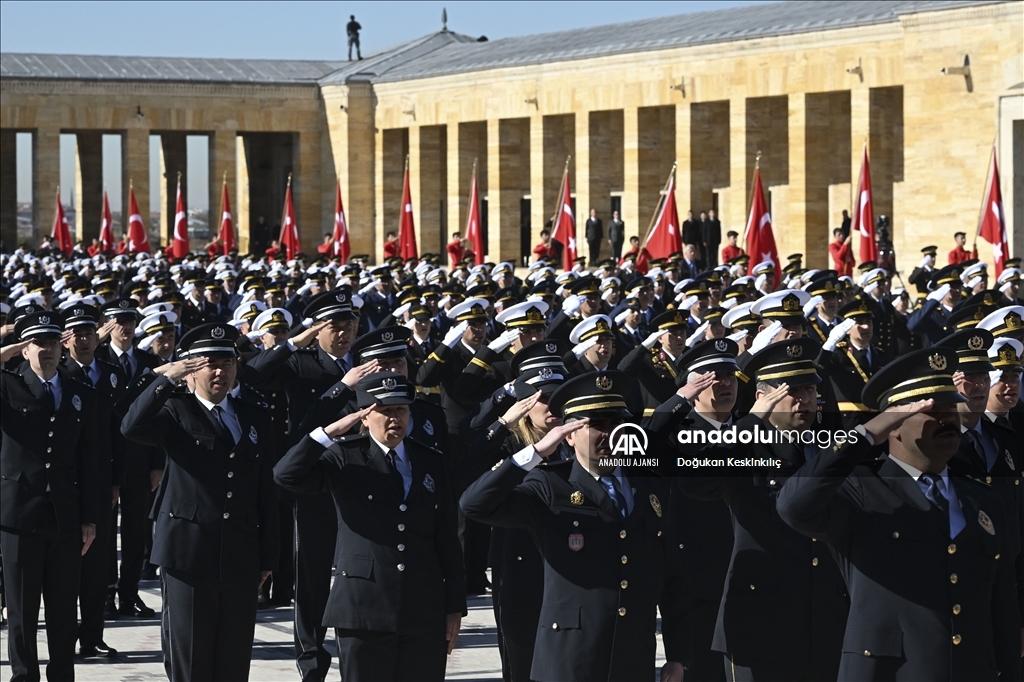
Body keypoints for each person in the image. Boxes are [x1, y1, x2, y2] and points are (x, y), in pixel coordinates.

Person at [777, 347, 1020, 681]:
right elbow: (793, 506)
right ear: (894, 426)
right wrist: (863, 435)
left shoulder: (982, 499)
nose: (948, 418)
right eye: (931, 410)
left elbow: (1002, 605)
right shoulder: (859, 489)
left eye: (951, 406)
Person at [460, 370, 688, 682]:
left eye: (616, 424)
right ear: (570, 434)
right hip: (570, 658)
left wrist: (677, 656)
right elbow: (474, 504)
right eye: (596, 425)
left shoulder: (648, 485)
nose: (609, 433)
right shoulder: (549, 483)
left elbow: (671, 579)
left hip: (632, 656)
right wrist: (536, 453)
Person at [274, 372, 465, 681]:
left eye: (401, 410)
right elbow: (286, 475)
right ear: (365, 416)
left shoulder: (430, 460)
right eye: (385, 410)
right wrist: (328, 432)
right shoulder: (345, 456)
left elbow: (445, 535)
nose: (394, 418)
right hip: (364, 607)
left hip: (424, 605)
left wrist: (454, 604)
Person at [121, 323, 279, 681]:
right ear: (192, 369)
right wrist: (165, 378)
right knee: (191, 656)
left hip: (239, 551)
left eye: (227, 363)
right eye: (210, 363)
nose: (220, 371)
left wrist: (268, 556)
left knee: (234, 656)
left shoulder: (253, 415)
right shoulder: (176, 410)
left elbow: (264, 489)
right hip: (187, 552)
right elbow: (131, 425)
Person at [1, 311, 100, 682]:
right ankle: (23, 677)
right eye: (38, 343)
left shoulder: (80, 392)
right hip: (18, 515)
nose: (48, 350)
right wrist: (3, 353)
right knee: (22, 611)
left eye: (54, 342)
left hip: (65, 514)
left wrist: (90, 516)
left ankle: (62, 676)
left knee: (62, 609)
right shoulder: (8, 385)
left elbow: (90, 459)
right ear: (24, 349)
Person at [60, 304, 127, 659]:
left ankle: (92, 636)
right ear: (66, 339)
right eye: (77, 334)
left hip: (102, 483)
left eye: (89, 332)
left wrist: (117, 480)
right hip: (67, 482)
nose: (84, 340)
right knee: (67, 566)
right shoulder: (60, 373)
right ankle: (65, 637)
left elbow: (120, 432)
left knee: (98, 565)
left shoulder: (112, 373)